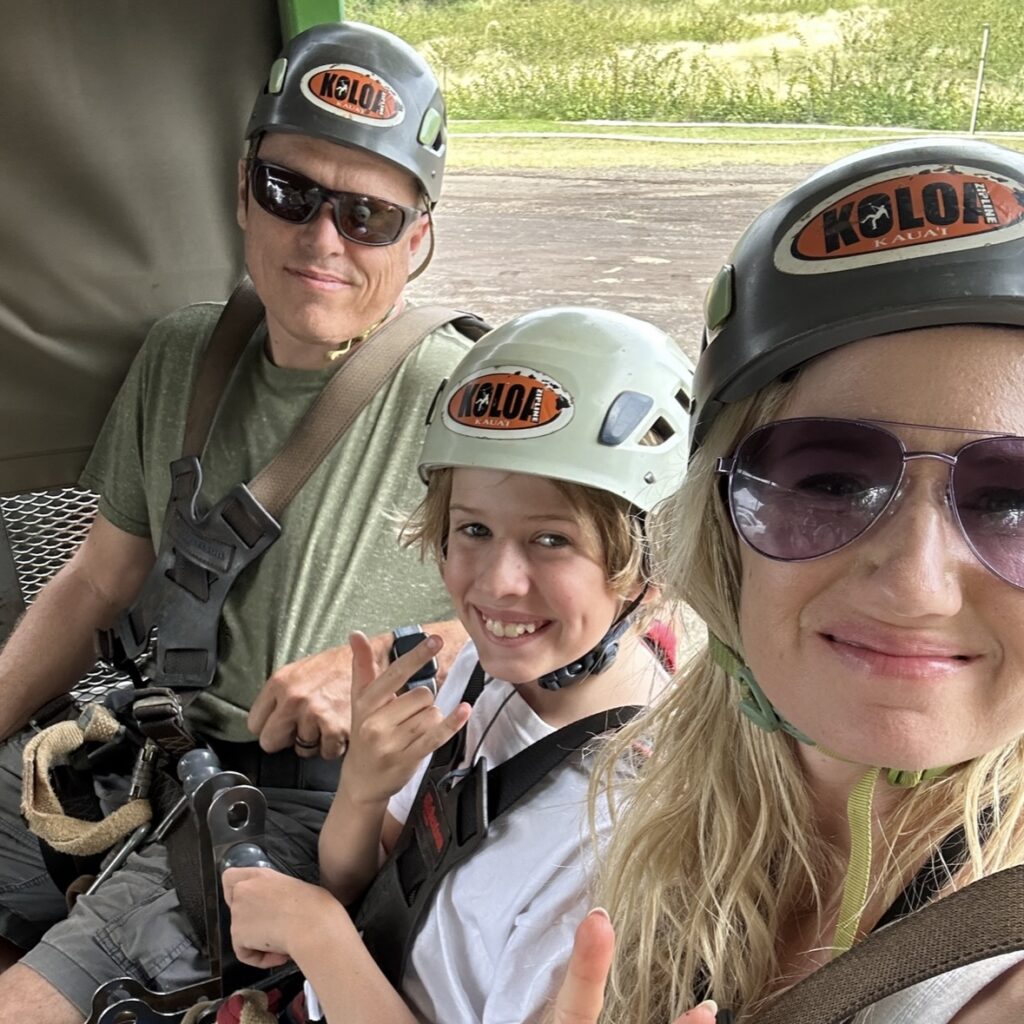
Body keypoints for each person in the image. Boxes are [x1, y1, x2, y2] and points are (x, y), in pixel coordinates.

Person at [0, 20, 477, 1023]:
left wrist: (406, 657)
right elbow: (96, 580)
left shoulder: (467, 392)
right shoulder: (183, 356)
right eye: (289, 194)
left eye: (368, 216)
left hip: (310, 814)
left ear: (420, 238)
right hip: (155, 752)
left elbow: (628, 600)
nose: (321, 240)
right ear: (241, 189)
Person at [551, 137, 1024, 1023]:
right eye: (830, 483)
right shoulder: (663, 813)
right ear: (723, 536)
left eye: (1014, 504)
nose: (915, 587)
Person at [221, 306, 695, 1023]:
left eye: (551, 540)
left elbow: (334, 917)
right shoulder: (490, 671)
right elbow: (375, 878)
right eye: (472, 528)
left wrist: (314, 934)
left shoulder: (619, 832)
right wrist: (362, 792)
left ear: (646, 564)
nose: (497, 582)